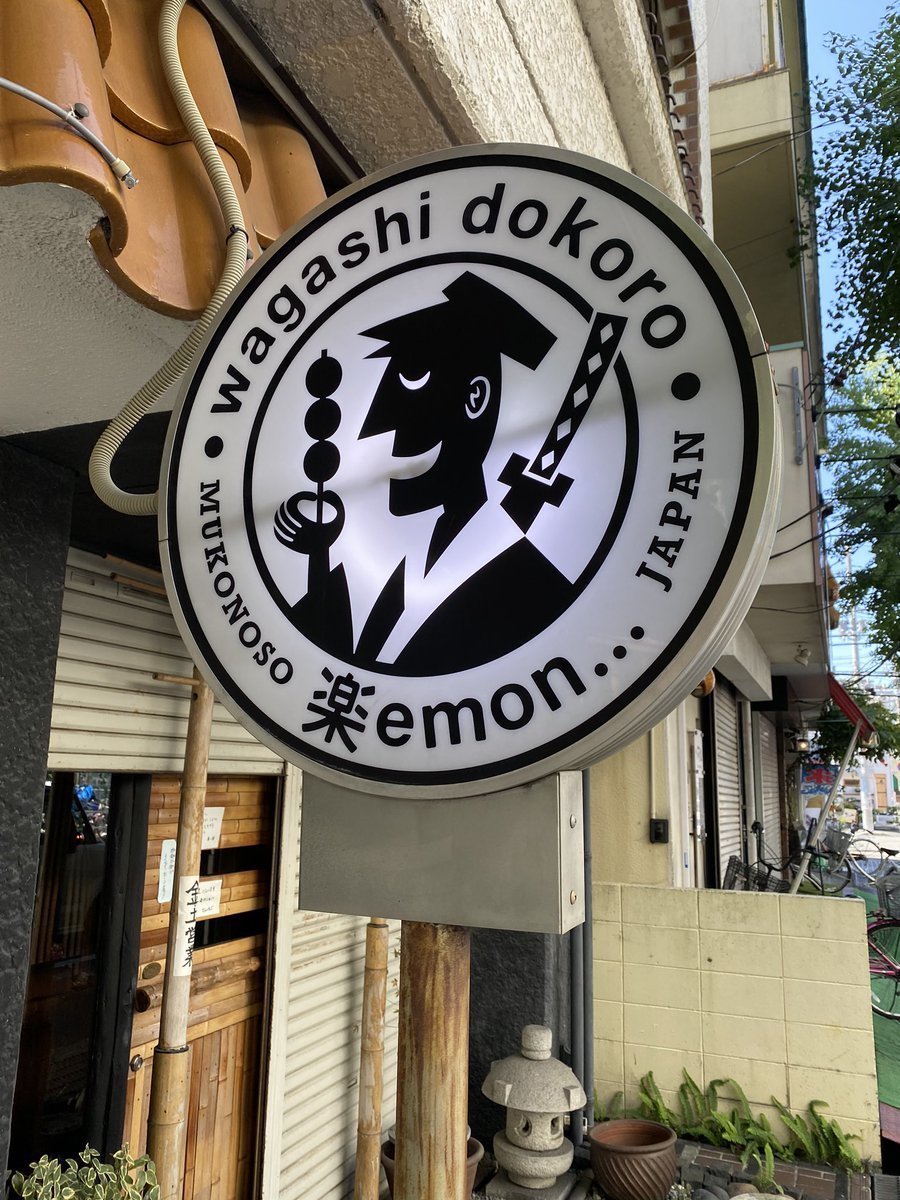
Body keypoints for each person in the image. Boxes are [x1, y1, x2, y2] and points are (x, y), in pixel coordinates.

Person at [287, 271, 579, 674]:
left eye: (413, 381)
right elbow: (341, 669)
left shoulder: (530, 585)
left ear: (475, 398)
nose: (379, 427)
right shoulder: (397, 574)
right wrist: (318, 556)